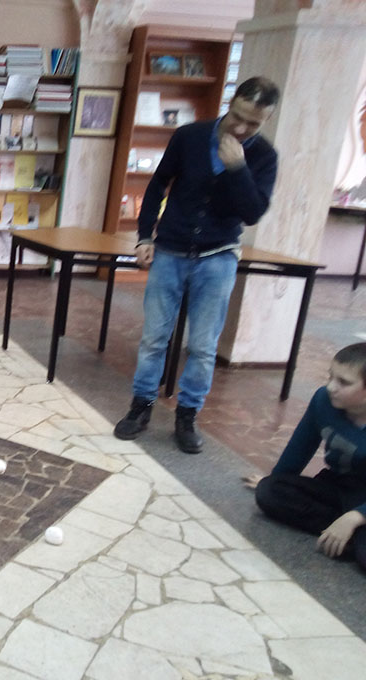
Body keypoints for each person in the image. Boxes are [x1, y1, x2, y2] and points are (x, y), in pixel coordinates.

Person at [114, 77, 281, 454]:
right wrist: (144, 237)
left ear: (267, 120)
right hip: (171, 249)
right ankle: (141, 407)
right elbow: (157, 185)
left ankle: (187, 416)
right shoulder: (190, 136)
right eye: (238, 117)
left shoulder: (264, 156)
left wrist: (238, 168)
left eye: (253, 124)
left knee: (204, 346)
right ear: (231, 103)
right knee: (154, 337)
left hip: (218, 255)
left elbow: (252, 212)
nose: (242, 129)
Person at [245, 343, 366, 570]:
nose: (331, 387)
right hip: (337, 486)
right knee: (269, 491)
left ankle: (348, 531)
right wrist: (276, 479)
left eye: (344, 382)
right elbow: (301, 445)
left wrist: (356, 516)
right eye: (331, 377)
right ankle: (344, 534)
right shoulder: (323, 400)